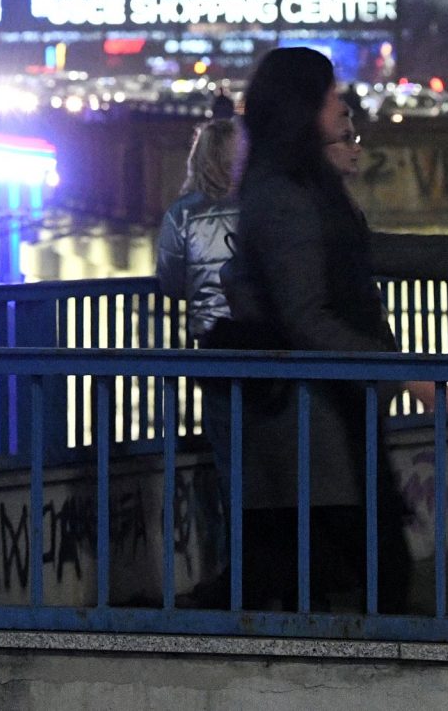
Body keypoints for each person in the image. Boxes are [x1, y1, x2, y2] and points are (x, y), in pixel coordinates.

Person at [218, 46, 448, 613]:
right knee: (360, 578)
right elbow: (305, 317)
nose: (341, 104)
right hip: (306, 431)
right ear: (304, 107)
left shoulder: (299, 188)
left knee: (341, 579)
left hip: (327, 422)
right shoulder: (285, 196)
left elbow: (365, 251)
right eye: (330, 96)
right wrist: (403, 370)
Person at [156, 112, 243, 603]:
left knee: (229, 462)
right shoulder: (263, 209)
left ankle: (234, 575)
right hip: (269, 346)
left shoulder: (183, 214)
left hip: (214, 348)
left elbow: (170, 282)